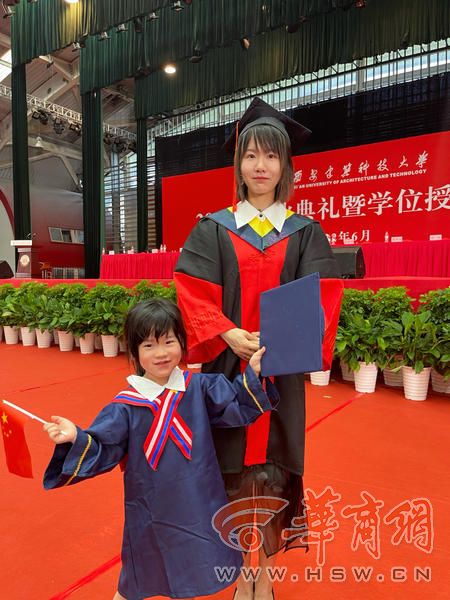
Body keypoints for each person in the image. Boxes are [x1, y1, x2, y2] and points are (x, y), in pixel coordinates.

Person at [174, 97, 342, 600]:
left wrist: (279, 342)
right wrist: (228, 332)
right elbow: (192, 291)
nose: (261, 166)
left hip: (280, 373)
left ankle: (262, 575)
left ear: (285, 165)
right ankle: (233, 569)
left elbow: (322, 298)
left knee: (271, 474)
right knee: (228, 471)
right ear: (239, 164)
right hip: (227, 370)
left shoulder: (305, 233)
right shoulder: (213, 228)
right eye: (251, 155)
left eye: (271, 156)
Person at [43, 298, 278, 600]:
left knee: (193, 566)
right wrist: (75, 436)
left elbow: (235, 401)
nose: (161, 353)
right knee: (140, 575)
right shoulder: (126, 406)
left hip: (198, 501)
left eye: (169, 342)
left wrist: (253, 374)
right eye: (149, 345)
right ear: (135, 351)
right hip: (150, 509)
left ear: (182, 343)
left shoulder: (199, 388)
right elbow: (103, 446)